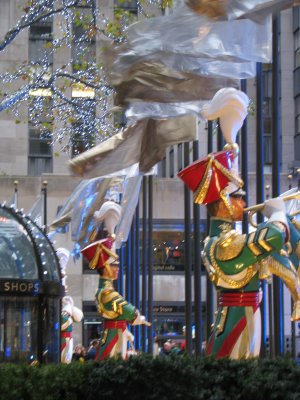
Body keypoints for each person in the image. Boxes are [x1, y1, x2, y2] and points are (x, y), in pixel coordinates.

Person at [178, 87, 300, 359]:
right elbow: (272, 239)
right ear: (222, 202)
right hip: (235, 327)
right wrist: (279, 214)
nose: (244, 204)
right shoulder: (223, 243)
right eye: (239, 197)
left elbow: (275, 251)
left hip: (245, 320)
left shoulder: (233, 237)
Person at [81, 201, 150, 361]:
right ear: (105, 267)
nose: (118, 268)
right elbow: (129, 311)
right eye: (114, 265)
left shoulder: (106, 290)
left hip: (117, 337)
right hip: (113, 341)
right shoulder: (106, 292)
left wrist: (126, 329)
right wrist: (136, 317)